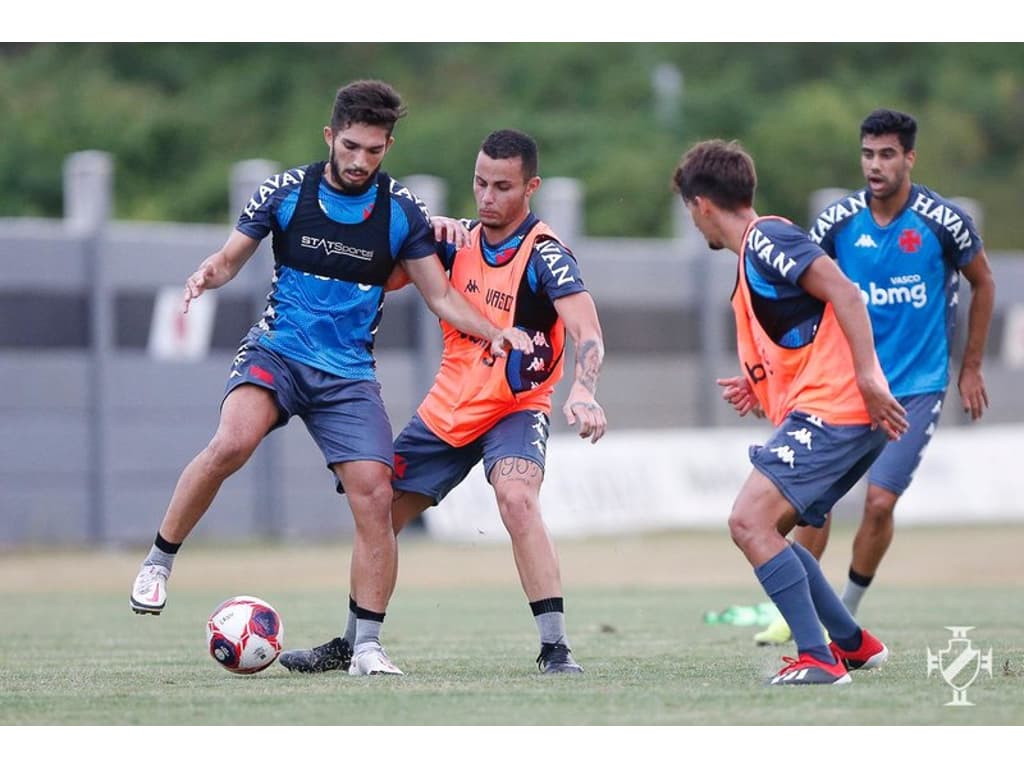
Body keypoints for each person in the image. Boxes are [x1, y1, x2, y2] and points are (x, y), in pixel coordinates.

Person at [128, 81, 532, 677]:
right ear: (329, 137)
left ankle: (365, 646)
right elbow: (229, 258)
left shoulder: (401, 212)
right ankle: (159, 562)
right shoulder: (286, 192)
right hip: (278, 353)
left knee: (376, 493)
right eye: (351, 146)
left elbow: (442, 297)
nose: (361, 160)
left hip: (347, 376)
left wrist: (495, 330)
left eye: (374, 150)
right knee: (232, 442)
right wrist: (205, 275)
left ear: (387, 146)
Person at [278, 128, 607, 676]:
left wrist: (585, 389)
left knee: (517, 499)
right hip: (448, 410)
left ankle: (556, 649)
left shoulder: (546, 255)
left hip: (515, 408)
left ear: (531, 187)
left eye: (502, 186)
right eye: (480, 183)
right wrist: (416, 238)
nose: (486, 197)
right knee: (376, 512)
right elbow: (378, 281)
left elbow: (585, 329)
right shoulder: (453, 241)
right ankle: (354, 642)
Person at [754, 108, 996, 647]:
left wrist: (971, 366)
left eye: (887, 154)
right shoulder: (837, 223)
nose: (875, 165)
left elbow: (985, 284)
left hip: (915, 386)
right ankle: (799, 614)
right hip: (847, 384)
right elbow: (804, 294)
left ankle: (848, 606)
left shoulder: (943, 221)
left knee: (879, 501)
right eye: (867, 154)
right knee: (812, 498)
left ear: (909, 157)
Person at [673, 138, 909, 685]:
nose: (695, 223)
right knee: (769, 527)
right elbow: (807, 332)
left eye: (691, 211)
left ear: (702, 204)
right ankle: (851, 644)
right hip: (836, 410)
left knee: (747, 521)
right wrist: (761, 385)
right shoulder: (756, 257)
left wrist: (870, 377)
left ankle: (818, 659)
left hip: (840, 409)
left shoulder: (768, 240)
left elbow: (846, 294)